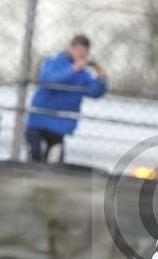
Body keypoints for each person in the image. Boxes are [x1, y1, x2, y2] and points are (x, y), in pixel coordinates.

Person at [25, 34, 108, 163]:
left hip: (59, 128)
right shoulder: (53, 62)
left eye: (85, 52)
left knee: (56, 163)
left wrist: (101, 79)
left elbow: (95, 93)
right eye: (79, 51)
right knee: (35, 158)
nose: (82, 55)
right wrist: (72, 69)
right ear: (71, 48)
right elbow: (48, 80)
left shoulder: (83, 74)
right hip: (39, 123)